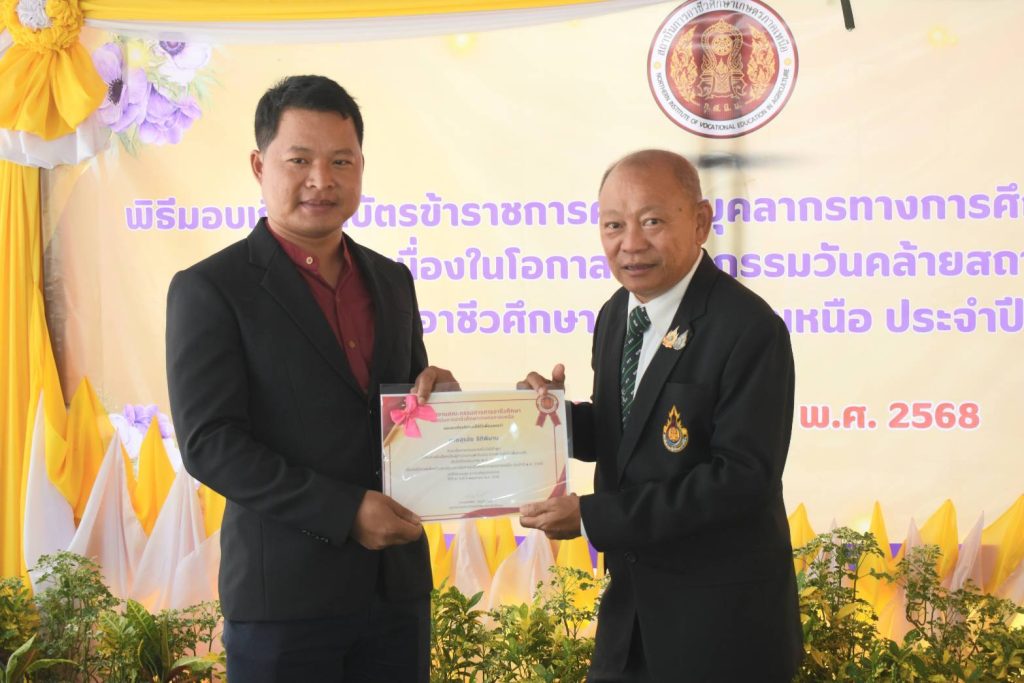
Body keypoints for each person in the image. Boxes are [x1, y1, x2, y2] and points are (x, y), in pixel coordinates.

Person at [166, 75, 453, 682]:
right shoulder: (211, 289)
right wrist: (345, 511)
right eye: (299, 160)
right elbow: (210, 444)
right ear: (259, 165)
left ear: (361, 167)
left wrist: (439, 406)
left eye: (340, 161)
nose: (321, 180)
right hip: (285, 601)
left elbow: (401, 410)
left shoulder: (392, 280)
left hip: (396, 591)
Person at [519, 149, 802, 682]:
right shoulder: (615, 314)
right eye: (613, 225)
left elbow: (740, 479)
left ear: (700, 222)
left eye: (651, 221)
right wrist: (552, 420)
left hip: (719, 631)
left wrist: (593, 517)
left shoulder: (747, 328)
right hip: (630, 619)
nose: (630, 243)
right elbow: (626, 432)